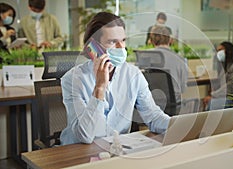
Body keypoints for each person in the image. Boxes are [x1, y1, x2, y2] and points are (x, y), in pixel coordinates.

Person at [60, 12, 170, 145]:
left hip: (116, 150)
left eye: (123, 40)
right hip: (76, 153)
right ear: (93, 47)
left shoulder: (133, 75)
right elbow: (85, 136)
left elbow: (153, 118)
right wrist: (99, 87)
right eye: (112, 42)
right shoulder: (72, 80)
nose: (121, 48)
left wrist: (178, 125)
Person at [203, 41, 233, 110]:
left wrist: (213, 95)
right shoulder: (225, 66)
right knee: (206, 102)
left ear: (229, 51)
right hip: (225, 96)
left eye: (220, 50)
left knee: (211, 105)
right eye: (217, 51)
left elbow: (230, 88)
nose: (218, 53)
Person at [149, 25, 188, 102]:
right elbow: (183, 89)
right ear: (170, 40)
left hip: (151, 106)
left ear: (152, 40)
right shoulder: (180, 59)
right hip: (173, 107)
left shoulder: (144, 56)